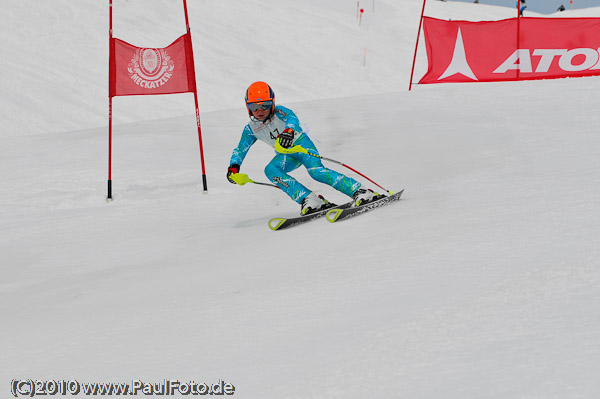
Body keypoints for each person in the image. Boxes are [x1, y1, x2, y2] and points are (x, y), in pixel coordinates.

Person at [227, 81, 376, 215]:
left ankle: (359, 190)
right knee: (271, 170)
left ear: (272, 104)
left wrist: (288, 132)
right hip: (286, 155)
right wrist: (234, 167)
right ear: (248, 108)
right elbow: (240, 149)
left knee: (316, 172)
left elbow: (292, 118)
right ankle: (309, 199)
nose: (260, 110)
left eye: (264, 105)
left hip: (301, 146)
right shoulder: (251, 129)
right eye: (254, 107)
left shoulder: (279, 112)